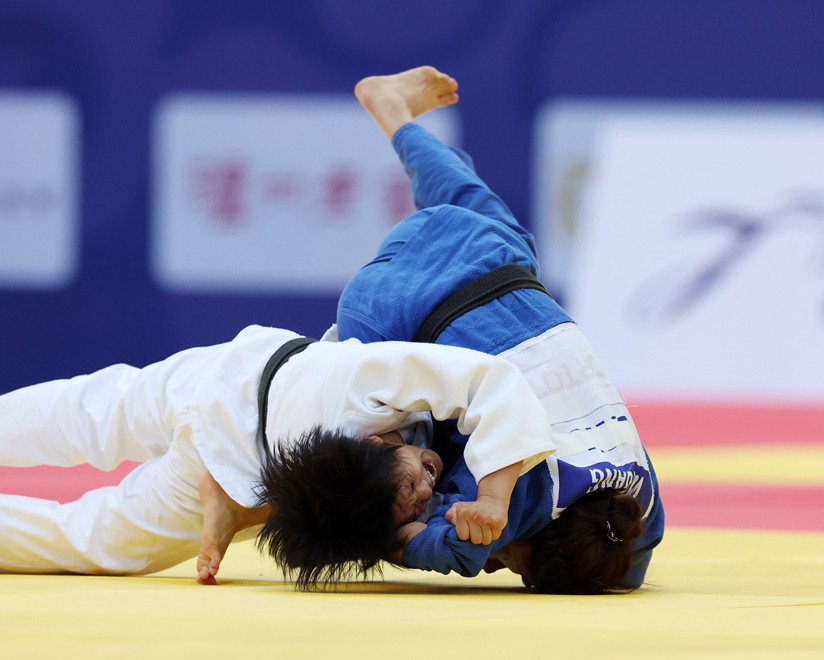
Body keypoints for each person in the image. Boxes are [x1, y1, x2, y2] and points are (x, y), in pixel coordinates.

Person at [254, 66, 664, 593]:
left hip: (492, 254)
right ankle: (237, 481)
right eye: (515, 566)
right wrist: (430, 539)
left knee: (460, 193)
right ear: (531, 540)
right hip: (389, 310)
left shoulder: (642, 506)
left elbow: (631, 566)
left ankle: (398, 117)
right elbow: (460, 550)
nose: (498, 565)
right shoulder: (517, 506)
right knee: (368, 481)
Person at [0, 324, 554, 581]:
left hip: (227, 373)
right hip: (229, 453)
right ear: (371, 444)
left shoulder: (365, 388)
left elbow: (478, 384)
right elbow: (494, 381)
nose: (431, 486)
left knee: (81, 410)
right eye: (419, 485)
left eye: (417, 495)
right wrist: (494, 497)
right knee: (93, 537)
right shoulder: (360, 413)